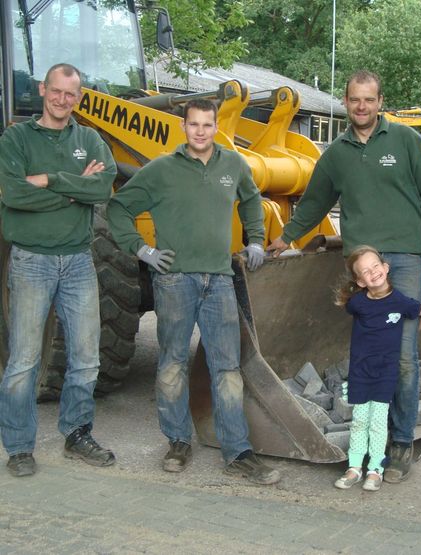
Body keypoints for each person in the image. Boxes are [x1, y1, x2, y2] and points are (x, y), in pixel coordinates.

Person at [268, 70, 421, 483]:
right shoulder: (336, 154)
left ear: (380, 101)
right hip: (363, 266)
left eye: (369, 99)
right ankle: (375, 434)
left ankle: (401, 442)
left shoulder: (406, 142)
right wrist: (286, 237)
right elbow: (315, 202)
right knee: (370, 355)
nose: (362, 107)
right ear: (346, 102)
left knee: (402, 354)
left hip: (403, 261)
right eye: (355, 100)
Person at [106, 98, 280, 485]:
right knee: (171, 365)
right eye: (194, 124)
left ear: (216, 127)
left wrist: (254, 240)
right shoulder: (162, 170)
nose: (200, 131)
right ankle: (177, 442)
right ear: (183, 127)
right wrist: (143, 250)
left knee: (228, 369)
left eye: (207, 124)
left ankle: (238, 453)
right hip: (174, 281)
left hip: (219, 280)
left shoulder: (232, 165)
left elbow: (252, 198)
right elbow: (119, 208)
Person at [0, 63, 117, 477]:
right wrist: (73, 191)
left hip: (78, 261)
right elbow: (13, 194)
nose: (62, 100)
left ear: (79, 98)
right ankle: (18, 447)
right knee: (24, 361)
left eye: (71, 94)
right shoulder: (15, 138)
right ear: (43, 90)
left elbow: (102, 188)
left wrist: (49, 180)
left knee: (86, 358)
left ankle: (76, 433)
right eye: (56, 91)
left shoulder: (89, 138)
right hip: (31, 260)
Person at [332, 246, 421, 491]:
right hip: (360, 372)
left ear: (386, 268)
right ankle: (354, 466)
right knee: (358, 421)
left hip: (385, 373)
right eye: (365, 272)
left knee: (377, 422)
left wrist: (408, 336)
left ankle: (376, 468)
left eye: (376, 266)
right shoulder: (357, 303)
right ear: (360, 281)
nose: (373, 273)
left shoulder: (400, 301)